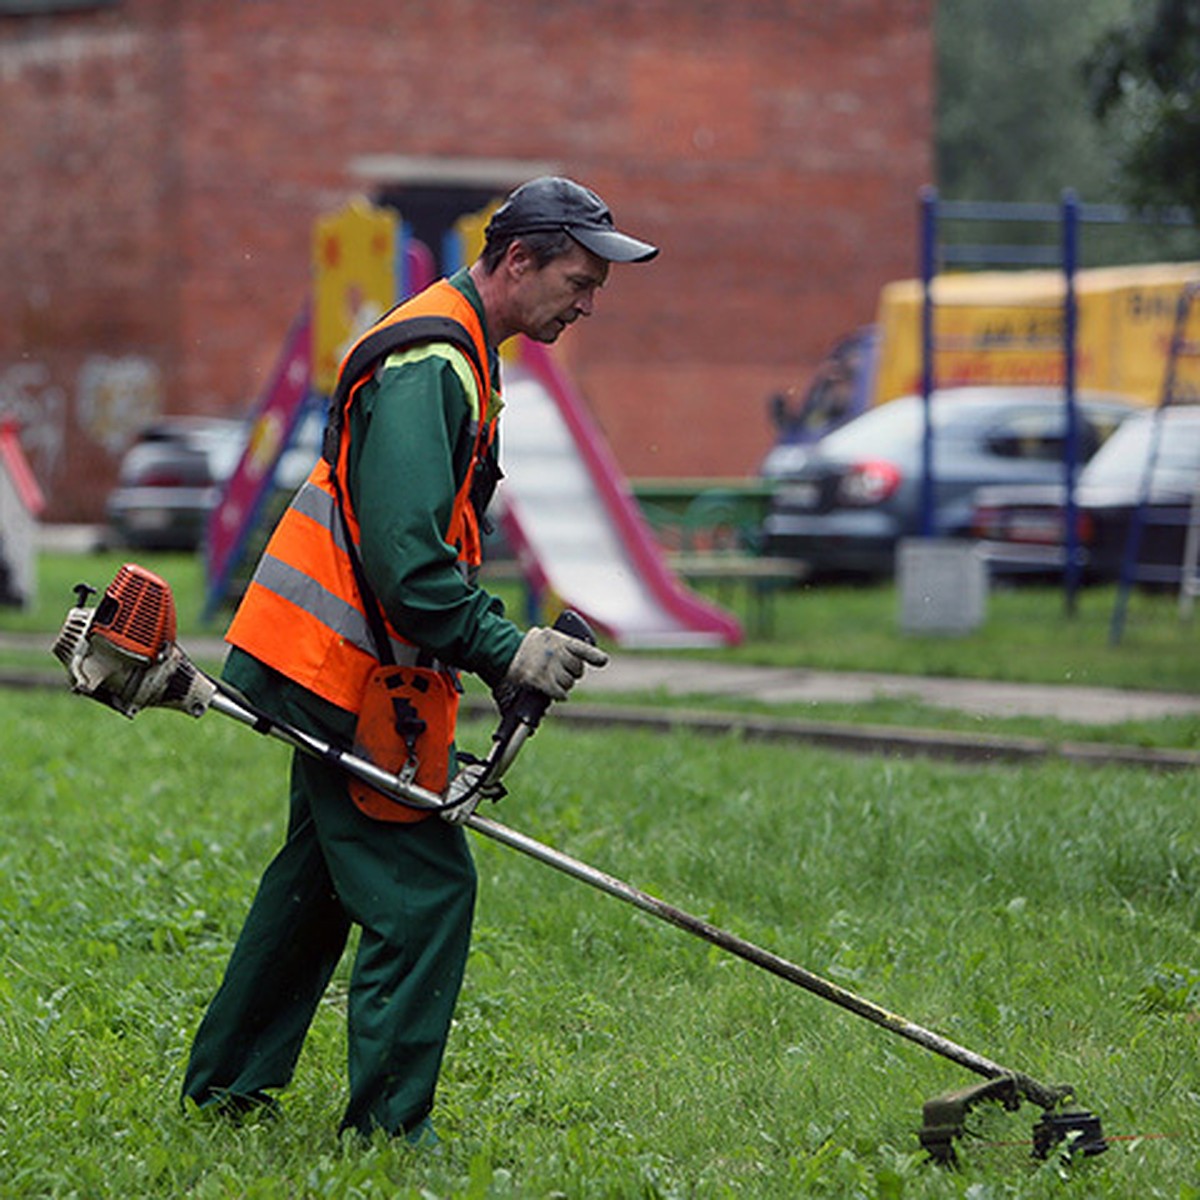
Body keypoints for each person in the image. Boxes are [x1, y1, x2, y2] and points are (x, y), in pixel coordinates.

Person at [181, 176, 658, 1144]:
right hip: (332, 663)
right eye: (579, 277)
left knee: (317, 880)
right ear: (517, 260)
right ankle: (391, 1135)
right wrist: (503, 647)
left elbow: (410, 547)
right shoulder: (431, 364)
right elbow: (406, 562)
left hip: (314, 655)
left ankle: (228, 1088)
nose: (590, 299)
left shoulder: (461, 350)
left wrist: (488, 658)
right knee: (425, 889)